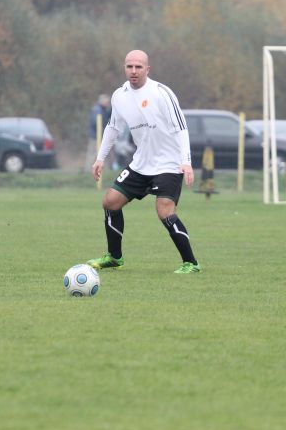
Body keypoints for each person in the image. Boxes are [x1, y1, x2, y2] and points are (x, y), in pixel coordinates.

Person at [85, 49, 201, 274]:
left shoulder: (161, 92)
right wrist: (100, 158)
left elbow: (181, 127)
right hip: (141, 164)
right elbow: (113, 128)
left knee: (164, 211)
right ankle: (114, 257)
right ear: (124, 68)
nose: (134, 71)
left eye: (139, 67)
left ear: (148, 69)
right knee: (110, 202)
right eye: (130, 66)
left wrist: (186, 161)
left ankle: (191, 263)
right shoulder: (120, 96)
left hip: (169, 163)